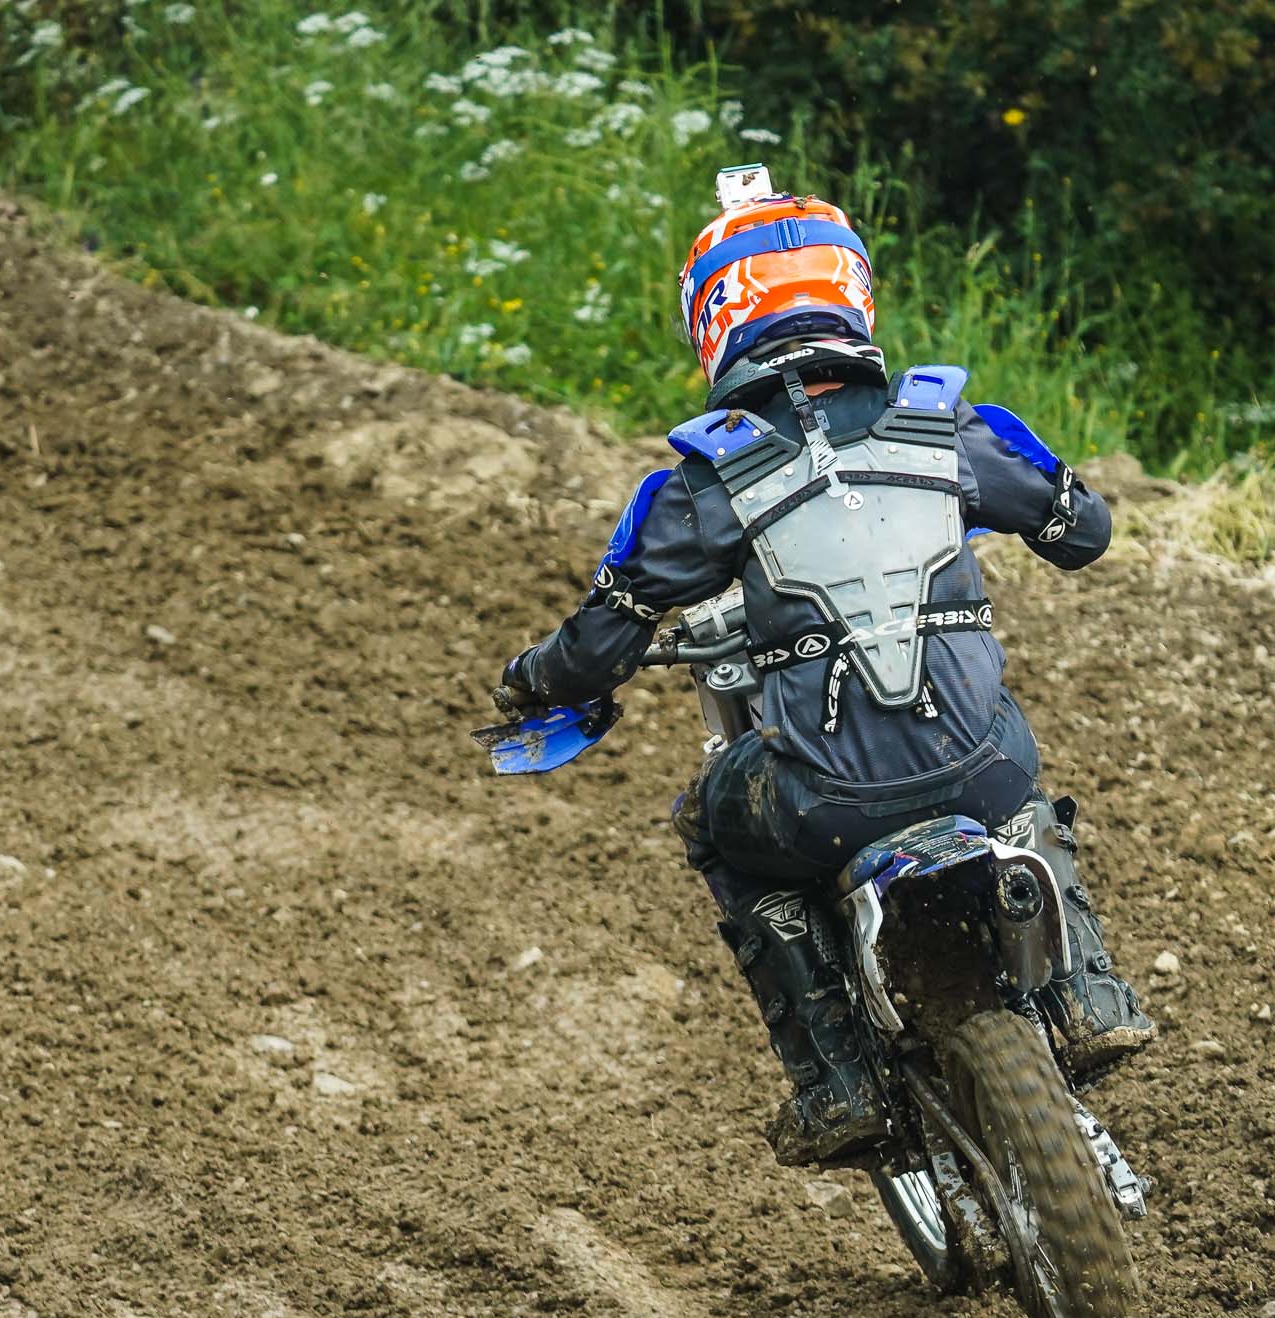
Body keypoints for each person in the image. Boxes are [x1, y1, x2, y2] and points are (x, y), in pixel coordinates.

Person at [494, 172, 1154, 1165]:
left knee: (713, 821)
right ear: (853, 291)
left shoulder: (701, 482)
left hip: (820, 804)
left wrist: (532, 680)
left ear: (715, 317)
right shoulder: (951, 424)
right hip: (983, 765)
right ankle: (1088, 991)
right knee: (1011, 768)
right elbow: (1084, 533)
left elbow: (595, 648)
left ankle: (836, 1076)